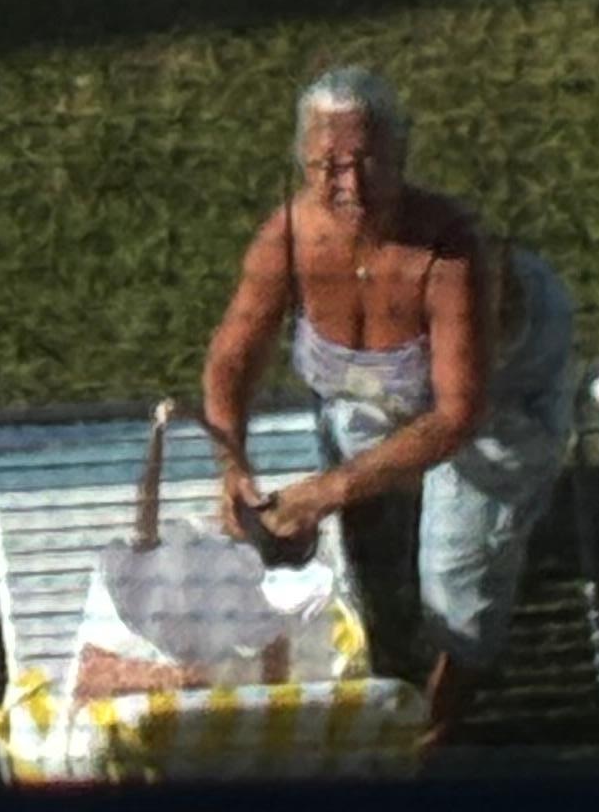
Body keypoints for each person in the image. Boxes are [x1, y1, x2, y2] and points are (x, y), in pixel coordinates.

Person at [199, 62, 576, 750]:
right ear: (302, 161)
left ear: (401, 154)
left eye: (366, 162)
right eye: (327, 166)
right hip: (383, 388)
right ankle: (388, 593)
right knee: (366, 502)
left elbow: (459, 414)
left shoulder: (451, 255)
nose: (348, 185)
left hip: (495, 390)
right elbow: (231, 357)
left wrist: (324, 493)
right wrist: (232, 464)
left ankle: (440, 723)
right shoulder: (287, 238)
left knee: (458, 574)